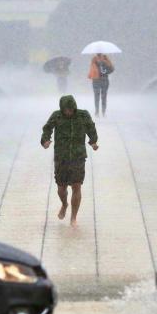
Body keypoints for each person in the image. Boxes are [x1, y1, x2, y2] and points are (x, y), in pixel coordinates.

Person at [41, 95, 98, 227]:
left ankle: (73, 217)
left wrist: (93, 142)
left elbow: (91, 128)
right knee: (61, 188)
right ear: (62, 109)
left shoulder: (83, 115)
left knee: (76, 186)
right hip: (61, 157)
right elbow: (47, 128)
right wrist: (45, 140)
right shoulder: (57, 116)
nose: (69, 112)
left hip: (78, 157)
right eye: (66, 110)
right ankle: (64, 204)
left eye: (71, 109)